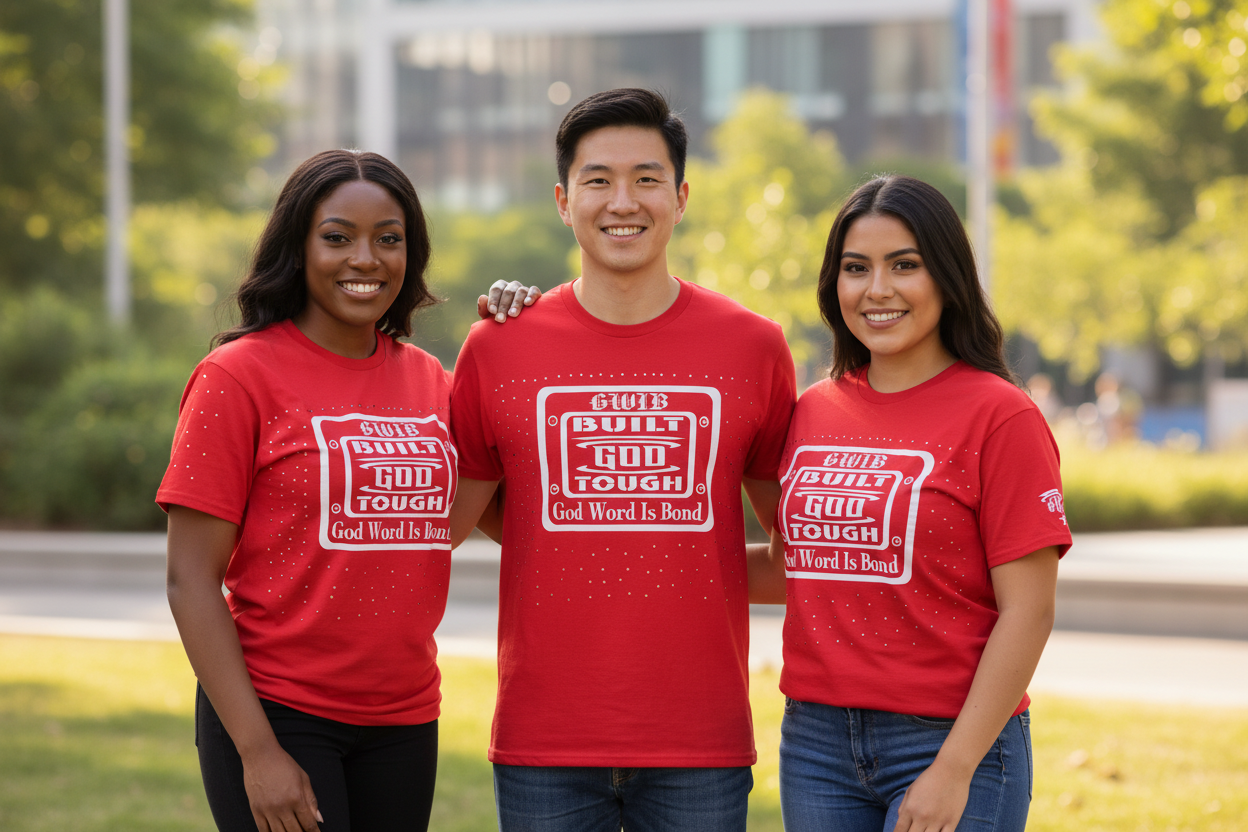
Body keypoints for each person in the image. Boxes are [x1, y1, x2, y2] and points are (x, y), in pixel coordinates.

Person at [447, 88, 796, 831]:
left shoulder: (754, 347)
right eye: (598, 180)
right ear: (563, 201)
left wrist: (683, 560)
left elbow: (796, 548)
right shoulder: (498, 345)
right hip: (544, 740)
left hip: (701, 743)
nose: (623, 202)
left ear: (681, 197)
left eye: (646, 179)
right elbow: (452, 520)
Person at [158, 149, 536, 832]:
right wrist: (257, 751)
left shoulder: (431, 380)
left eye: (388, 239)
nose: (366, 259)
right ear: (298, 248)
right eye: (337, 237)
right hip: (277, 712)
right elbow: (190, 578)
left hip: (405, 719)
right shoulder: (236, 377)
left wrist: (516, 347)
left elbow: (481, 524)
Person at [749, 175, 1071, 832]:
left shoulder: (1001, 416)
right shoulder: (812, 410)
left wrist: (954, 768)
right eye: (856, 268)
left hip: (951, 738)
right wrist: (635, 551)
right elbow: (795, 568)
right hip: (815, 743)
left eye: (904, 265)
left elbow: (1029, 611)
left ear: (947, 278)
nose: (877, 289)